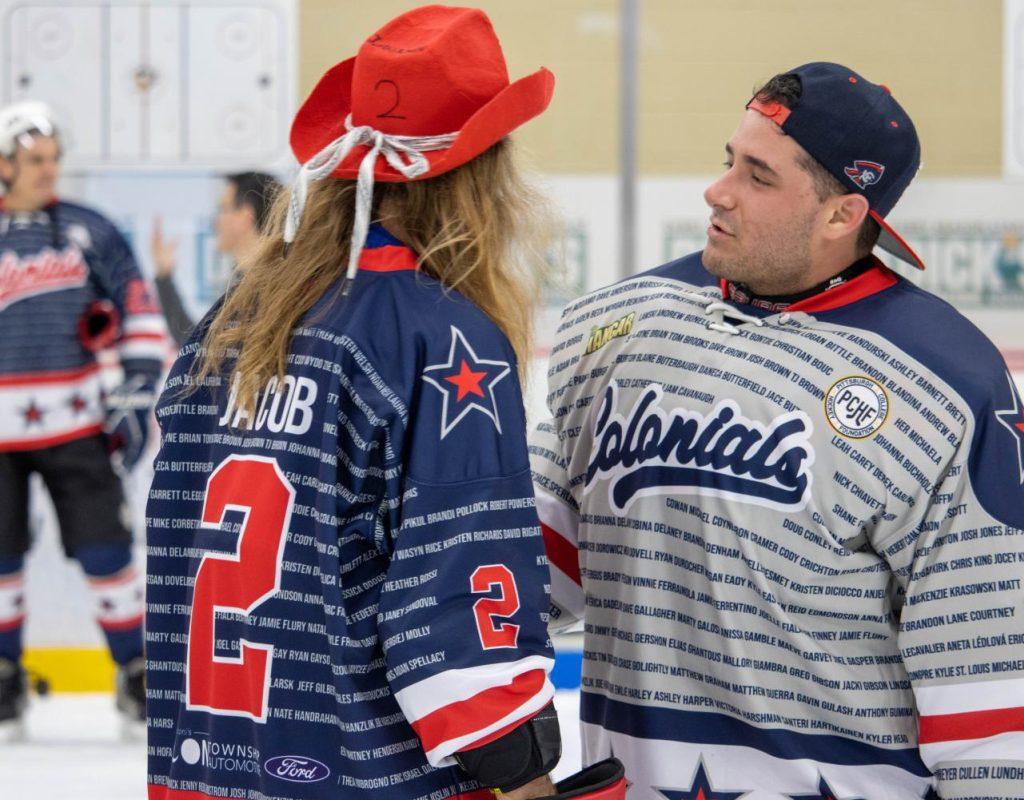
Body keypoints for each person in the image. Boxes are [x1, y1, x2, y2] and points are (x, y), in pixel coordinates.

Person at [530, 63, 1024, 800]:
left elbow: (1014, 692)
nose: (719, 190)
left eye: (759, 176)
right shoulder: (625, 328)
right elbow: (519, 571)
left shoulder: (944, 383)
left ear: (842, 215)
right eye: (728, 160)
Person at [144, 7, 623, 800]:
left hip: (209, 766)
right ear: (486, 169)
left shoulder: (229, 326)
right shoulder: (443, 340)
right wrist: (524, 778)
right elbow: (456, 598)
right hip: (365, 776)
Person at [0, 100, 167, 731]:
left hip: (76, 426)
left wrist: (134, 394)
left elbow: (139, 313)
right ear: (5, 165)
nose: (49, 171)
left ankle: (135, 671)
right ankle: (4, 679)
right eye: (35, 160)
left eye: (54, 159)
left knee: (107, 551)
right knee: (0, 558)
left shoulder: (89, 229)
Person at [151, 171, 282, 344]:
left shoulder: (263, 290)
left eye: (223, 209)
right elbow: (199, 347)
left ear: (245, 216)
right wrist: (164, 277)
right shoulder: (251, 283)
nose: (216, 222)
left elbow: (200, 351)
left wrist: (165, 280)